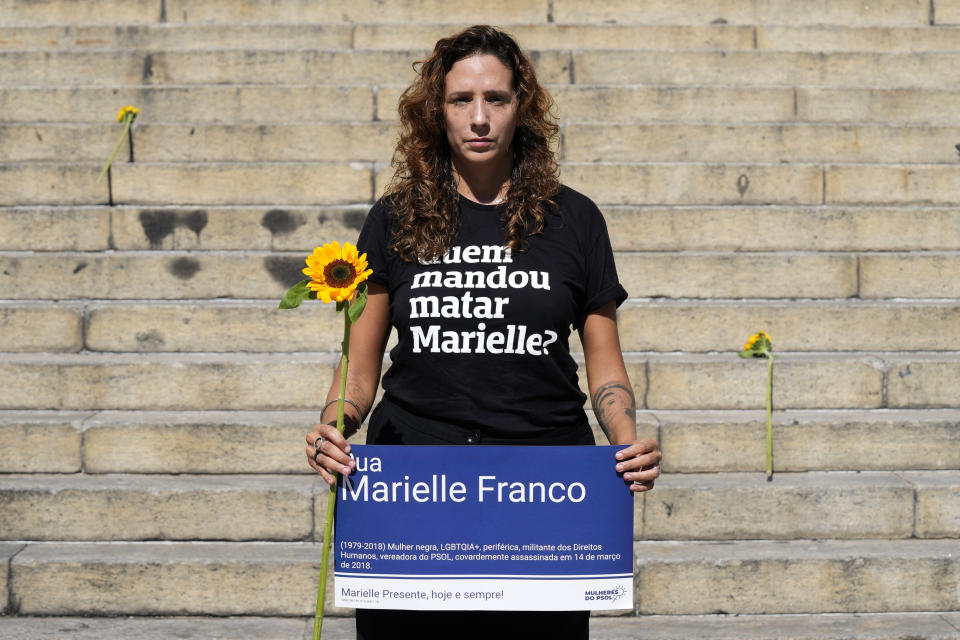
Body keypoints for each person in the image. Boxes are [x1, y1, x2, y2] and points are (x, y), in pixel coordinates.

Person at [304, 24, 662, 640]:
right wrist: (333, 428)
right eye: (460, 100)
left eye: (495, 99)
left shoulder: (575, 219)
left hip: (545, 484)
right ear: (434, 111)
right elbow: (360, 366)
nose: (478, 118)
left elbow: (605, 364)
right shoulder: (393, 218)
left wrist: (628, 441)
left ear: (521, 108)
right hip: (413, 481)